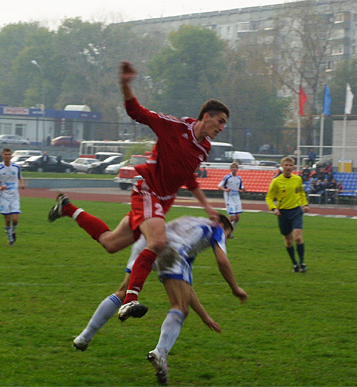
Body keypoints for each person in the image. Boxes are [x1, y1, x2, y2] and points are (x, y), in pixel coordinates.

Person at [48, 61, 228, 321]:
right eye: (220, 121)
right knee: (158, 242)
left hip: (161, 202)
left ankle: (68, 208)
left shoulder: (204, 148)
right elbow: (137, 112)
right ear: (206, 116)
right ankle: (130, 299)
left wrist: (207, 205)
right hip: (147, 191)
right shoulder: (174, 127)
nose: (222, 127)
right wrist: (125, 85)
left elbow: (188, 177)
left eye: (224, 124)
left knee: (110, 243)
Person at [72, 215, 247, 385]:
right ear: (223, 227)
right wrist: (235, 288)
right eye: (228, 235)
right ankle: (160, 353)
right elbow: (222, 261)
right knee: (179, 307)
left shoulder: (192, 229)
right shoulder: (215, 228)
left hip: (149, 241)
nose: (226, 239)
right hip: (169, 249)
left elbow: (186, 289)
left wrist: (204, 316)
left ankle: (83, 338)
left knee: (123, 291)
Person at [265, 156, 310, 273]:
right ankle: (294, 263)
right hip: (283, 213)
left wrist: (304, 204)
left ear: (293, 167)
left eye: (290, 165)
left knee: (298, 238)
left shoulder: (298, 179)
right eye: (286, 165)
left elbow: (301, 192)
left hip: (296, 211)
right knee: (288, 241)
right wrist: (274, 208)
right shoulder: (276, 181)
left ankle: (302, 262)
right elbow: (269, 197)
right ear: (282, 166)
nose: (288, 167)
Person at [0, 148, 25, 245]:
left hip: (14, 196)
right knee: (7, 219)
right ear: (2, 155)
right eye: (5, 154)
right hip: (4, 196)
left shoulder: (16, 167)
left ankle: (13, 231)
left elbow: (20, 178)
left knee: (15, 219)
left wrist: (21, 184)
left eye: (9, 154)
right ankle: (9, 238)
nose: (7, 156)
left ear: (11, 155)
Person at [217, 162, 244, 236]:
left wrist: (242, 190)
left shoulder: (239, 178)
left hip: (237, 199)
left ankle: (230, 233)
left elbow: (241, 188)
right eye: (233, 167)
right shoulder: (227, 177)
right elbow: (219, 186)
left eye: (236, 167)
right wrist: (225, 190)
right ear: (230, 169)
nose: (234, 169)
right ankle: (222, 231)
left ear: (238, 169)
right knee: (232, 218)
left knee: (237, 218)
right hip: (229, 199)